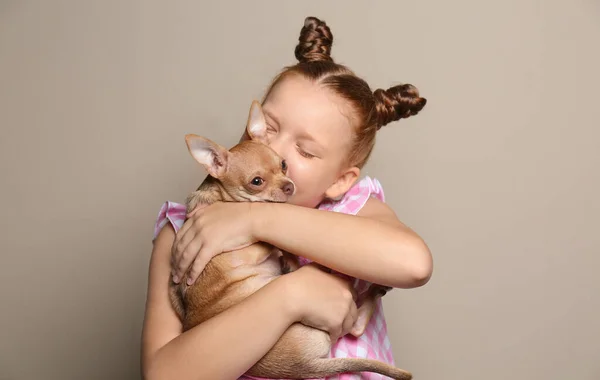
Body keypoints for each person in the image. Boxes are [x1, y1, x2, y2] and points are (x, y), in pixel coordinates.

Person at [141, 16, 433, 380]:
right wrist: (291, 296)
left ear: (341, 181)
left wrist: (254, 220)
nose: (273, 148)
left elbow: (414, 263)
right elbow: (164, 375)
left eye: (306, 151)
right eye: (268, 127)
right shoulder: (187, 231)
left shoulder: (352, 210)